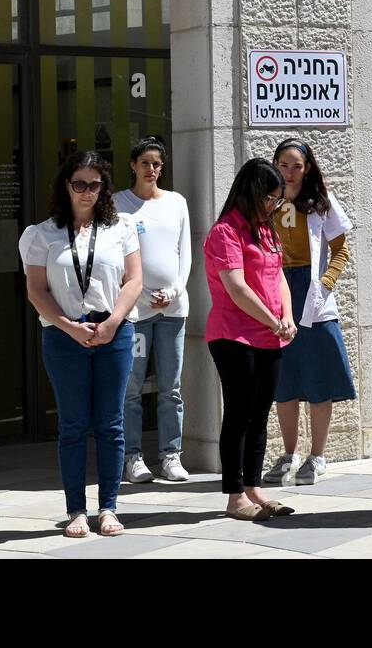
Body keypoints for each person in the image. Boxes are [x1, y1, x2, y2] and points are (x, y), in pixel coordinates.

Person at [20, 150, 142, 537]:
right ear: (66, 185)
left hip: (114, 331)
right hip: (63, 334)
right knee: (73, 424)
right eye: (79, 184)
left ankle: (108, 507)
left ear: (104, 187)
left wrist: (114, 321)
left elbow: (134, 281)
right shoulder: (42, 233)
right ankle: (76, 509)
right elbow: (36, 290)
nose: (86, 192)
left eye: (94, 184)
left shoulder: (121, 226)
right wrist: (68, 326)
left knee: (110, 423)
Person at [204, 158, 298, 520]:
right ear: (252, 193)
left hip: (270, 334)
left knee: (260, 415)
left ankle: (254, 488)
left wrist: (286, 317)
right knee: (239, 415)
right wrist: (275, 321)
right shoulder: (225, 232)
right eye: (270, 198)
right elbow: (237, 288)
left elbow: (279, 279)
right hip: (234, 335)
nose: (274, 205)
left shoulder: (266, 231)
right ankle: (234, 497)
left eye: (278, 199)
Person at [262, 139, 357, 487]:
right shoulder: (265, 199)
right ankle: (289, 454)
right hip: (276, 287)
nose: (289, 172)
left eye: (296, 166)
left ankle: (317, 456)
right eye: (283, 165)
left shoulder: (321, 202)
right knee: (283, 377)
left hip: (312, 292)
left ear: (308, 168)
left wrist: (326, 284)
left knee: (319, 375)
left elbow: (340, 249)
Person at [115, 136, 192, 483]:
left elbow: (185, 252)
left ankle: (170, 454)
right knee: (131, 387)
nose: (151, 169)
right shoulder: (118, 204)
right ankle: (132, 456)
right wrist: (143, 293)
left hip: (173, 310)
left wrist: (175, 289)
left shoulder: (176, 202)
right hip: (136, 311)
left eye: (157, 163)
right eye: (145, 163)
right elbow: (116, 258)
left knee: (171, 386)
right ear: (133, 165)